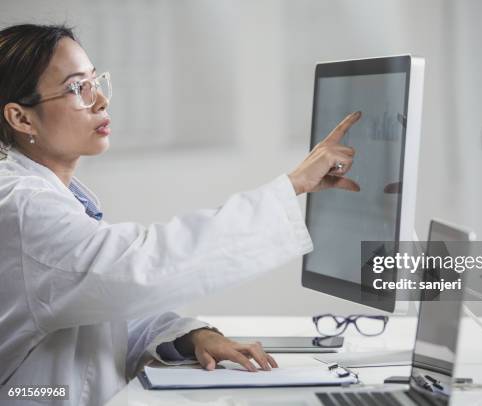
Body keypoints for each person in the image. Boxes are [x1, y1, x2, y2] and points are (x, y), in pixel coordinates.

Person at [0, 24, 361, 405]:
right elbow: (134, 270)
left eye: (96, 81)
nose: (101, 100)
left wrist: (192, 335)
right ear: (21, 119)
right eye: (77, 88)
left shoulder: (52, 197)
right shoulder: (24, 207)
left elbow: (104, 305)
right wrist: (292, 185)